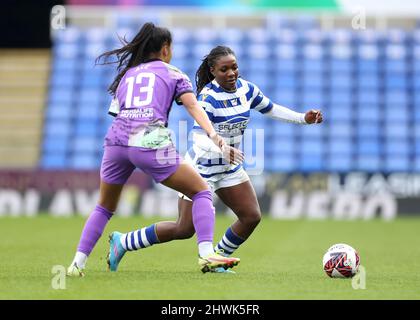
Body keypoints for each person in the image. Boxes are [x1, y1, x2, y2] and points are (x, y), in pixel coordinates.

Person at [108, 45, 323, 273]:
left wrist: (303, 118)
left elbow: (271, 108)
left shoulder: (246, 90)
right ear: (213, 71)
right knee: (184, 229)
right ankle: (124, 242)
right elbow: (198, 138)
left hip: (229, 168)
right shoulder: (207, 98)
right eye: (224, 69)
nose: (231, 73)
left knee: (251, 216)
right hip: (201, 169)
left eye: (234, 67)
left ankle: (217, 259)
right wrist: (222, 148)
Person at [66, 25, 242, 277]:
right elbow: (193, 107)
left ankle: (76, 265)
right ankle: (206, 254)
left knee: (104, 207)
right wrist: (215, 136)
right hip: (149, 140)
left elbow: (118, 113)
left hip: (116, 141)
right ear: (165, 49)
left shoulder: (127, 75)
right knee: (201, 190)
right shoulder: (173, 73)